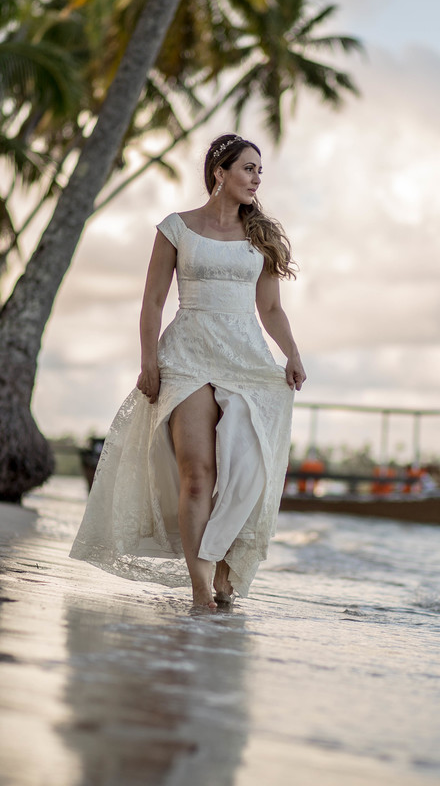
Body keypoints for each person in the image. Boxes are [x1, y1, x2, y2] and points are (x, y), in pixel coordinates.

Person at [70, 133, 306, 609]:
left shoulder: (261, 238)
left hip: (245, 361)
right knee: (197, 476)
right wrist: (148, 361)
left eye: (260, 171)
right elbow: (153, 301)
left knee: (244, 470)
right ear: (219, 172)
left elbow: (272, 309)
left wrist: (294, 354)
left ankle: (223, 566)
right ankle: (201, 589)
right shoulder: (175, 228)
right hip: (186, 358)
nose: (256, 178)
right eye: (248, 168)